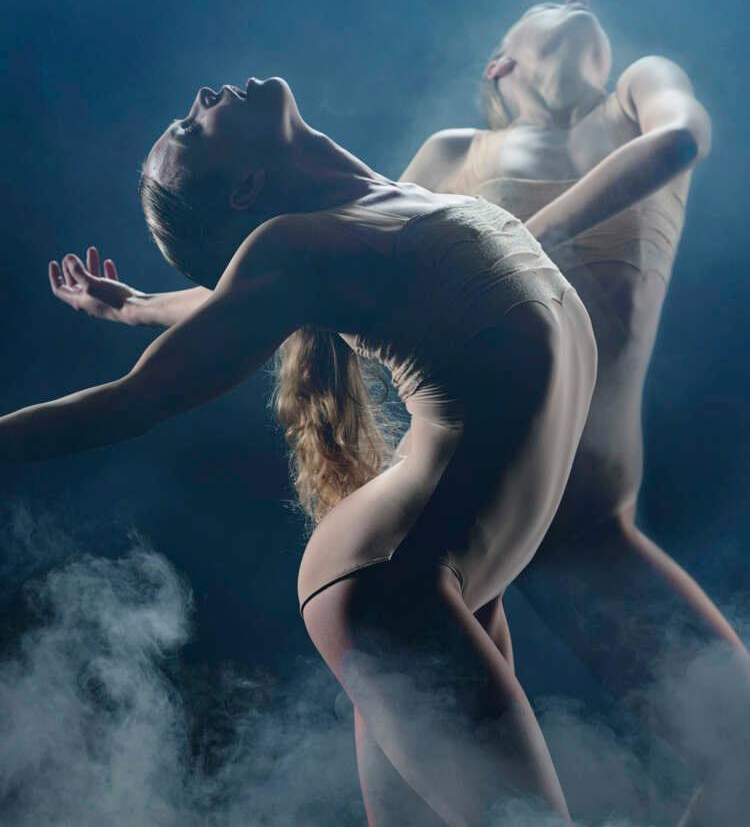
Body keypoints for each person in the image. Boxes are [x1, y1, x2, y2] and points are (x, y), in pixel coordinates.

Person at [10, 76, 597, 825]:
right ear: (247, 185)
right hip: (397, 580)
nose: (202, 96)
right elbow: (137, 400)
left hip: (447, 573)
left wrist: (134, 305)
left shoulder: (384, 211)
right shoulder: (298, 247)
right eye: (193, 127)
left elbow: (237, 304)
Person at [400, 0, 750, 826]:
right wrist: (155, 308)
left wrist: (526, 239)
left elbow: (680, 137)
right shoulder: (457, 150)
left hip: (583, 532)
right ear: (499, 63)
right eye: (552, 2)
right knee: (439, 802)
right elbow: (320, 256)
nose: (582, 0)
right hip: (455, 507)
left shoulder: (639, 90)